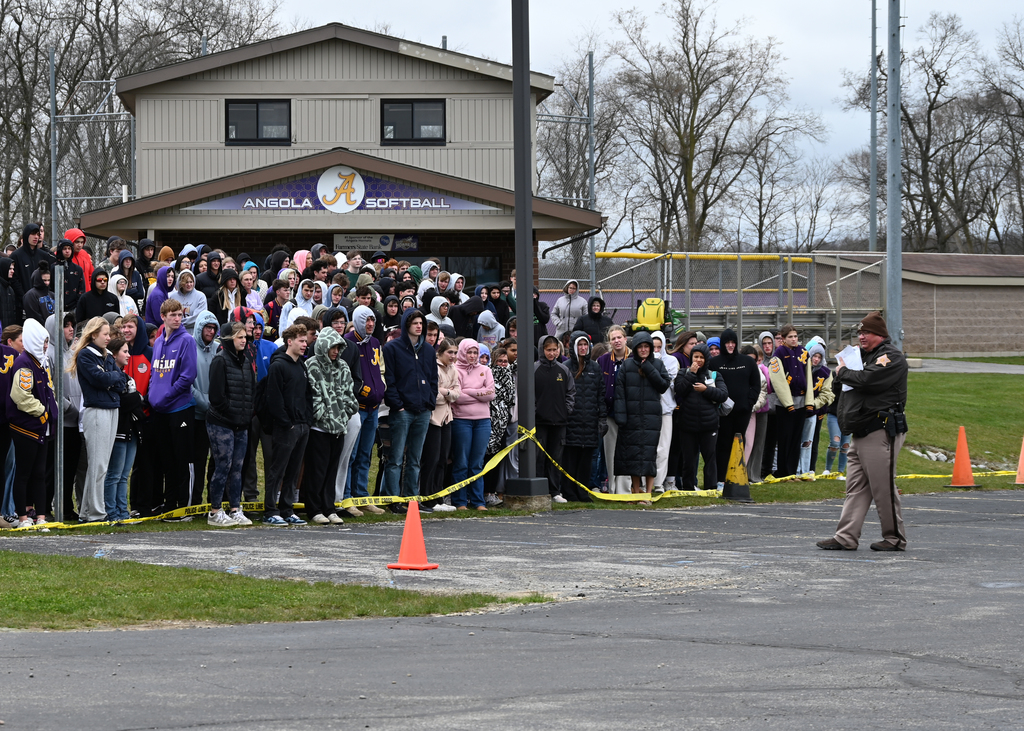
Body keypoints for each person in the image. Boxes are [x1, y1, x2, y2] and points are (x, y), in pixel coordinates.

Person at [817, 312, 909, 552]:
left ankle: (894, 538)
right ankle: (846, 536)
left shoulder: (891, 357)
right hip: (860, 431)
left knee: (882, 487)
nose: (861, 336)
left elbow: (868, 381)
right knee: (856, 487)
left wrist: (843, 372)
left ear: (880, 334)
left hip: (880, 430)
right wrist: (841, 376)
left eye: (865, 332)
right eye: (859, 332)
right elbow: (845, 387)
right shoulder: (863, 357)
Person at [70, 317, 127, 523]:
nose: (108, 338)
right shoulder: (86, 355)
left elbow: (121, 381)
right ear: (94, 334)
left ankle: (86, 511)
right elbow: (100, 379)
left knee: (101, 463)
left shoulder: (107, 356)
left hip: (112, 409)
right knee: (98, 464)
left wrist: (110, 377)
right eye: (105, 334)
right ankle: (96, 512)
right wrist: (110, 377)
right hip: (97, 411)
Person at [381, 308, 438, 513]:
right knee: (395, 458)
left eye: (421, 322)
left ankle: (412, 498)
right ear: (406, 324)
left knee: (415, 458)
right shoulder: (392, 348)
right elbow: (389, 379)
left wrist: (429, 402)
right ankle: (393, 499)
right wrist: (398, 404)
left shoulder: (429, 350)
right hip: (402, 410)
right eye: (415, 322)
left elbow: (433, 379)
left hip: (422, 410)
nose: (419, 325)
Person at [301, 326, 358, 524]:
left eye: (338, 347)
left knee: (332, 470)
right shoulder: (311, 365)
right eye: (333, 347)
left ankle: (329, 507)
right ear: (324, 345)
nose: (335, 351)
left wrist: (345, 412)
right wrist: (323, 415)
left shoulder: (343, 366)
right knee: (317, 470)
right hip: (319, 429)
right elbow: (313, 396)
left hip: (339, 428)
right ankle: (314, 509)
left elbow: (350, 394)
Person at [149, 299, 198, 518]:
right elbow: (154, 373)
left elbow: (188, 376)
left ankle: (184, 505)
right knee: (166, 460)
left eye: (180, 315)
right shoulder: (158, 342)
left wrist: (167, 396)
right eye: (173, 315)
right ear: (163, 317)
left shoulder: (187, 340)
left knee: (183, 459)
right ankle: (170, 505)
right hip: (160, 409)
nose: (177, 319)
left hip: (180, 407)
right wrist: (153, 396)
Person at [7, 319, 57, 528]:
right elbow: (21, 396)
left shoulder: (41, 363)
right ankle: (22, 518)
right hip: (26, 427)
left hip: (42, 429)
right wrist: (43, 412)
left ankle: (41, 517)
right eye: (43, 342)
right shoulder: (24, 363)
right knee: (24, 474)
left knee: (40, 473)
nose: (46, 346)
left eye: (47, 342)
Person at [262, 323, 314, 526]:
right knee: (278, 470)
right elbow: (273, 399)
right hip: (286, 427)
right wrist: (287, 423)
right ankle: (270, 510)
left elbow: (307, 395)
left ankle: (287, 508)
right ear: (289, 341)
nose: (304, 344)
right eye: (301, 341)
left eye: (305, 340)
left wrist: (306, 421)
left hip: (302, 426)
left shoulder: (301, 365)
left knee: (293, 471)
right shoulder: (278, 365)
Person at [205, 323, 256, 527]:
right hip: (221, 422)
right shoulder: (220, 360)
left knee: (237, 467)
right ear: (228, 339)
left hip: (241, 423)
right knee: (223, 465)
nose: (244, 340)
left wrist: (246, 413)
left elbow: (251, 390)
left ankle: (235, 508)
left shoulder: (246, 360)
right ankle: (215, 511)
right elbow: (216, 397)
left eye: (245, 336)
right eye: (239, 337)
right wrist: (232, 413)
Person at [613, 331, 670, 502]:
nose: (644, 350)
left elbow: (663, 385)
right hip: (632, 417)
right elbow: (619, 393)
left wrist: (648, 368)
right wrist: (621, 417)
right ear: (636, 348)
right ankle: (636, 491)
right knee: (633, 455)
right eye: (641, 347)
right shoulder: (627, 365)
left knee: (649, 455)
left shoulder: (658, 364)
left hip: (651, 417)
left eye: (647, 346)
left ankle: (648, 493)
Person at [343, 305, 386, 514]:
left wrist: (381, 386)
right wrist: (363, 390)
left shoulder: (376, 343)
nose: (370, 324)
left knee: (365, 454)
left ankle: (361, 495)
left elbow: (381, 369)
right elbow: (346, 375)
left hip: (374, 408)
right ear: (358, 320)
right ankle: (346, 496)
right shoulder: (348, 342)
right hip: (356, 408)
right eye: (366, 320)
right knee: (351, 454)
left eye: (373, 321)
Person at [707, 329, 761, 487]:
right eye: (727, 343)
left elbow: (755, 385)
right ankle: (721, 479)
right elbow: (711, 384)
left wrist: (748, 403)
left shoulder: (748, 362)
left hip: (742, 412)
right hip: (722, 412)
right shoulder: (715, 362)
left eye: (733, 342)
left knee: (738, 443)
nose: (730, 346)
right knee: (722, 444)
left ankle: (736, 477)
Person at [674, 342, 729, 491]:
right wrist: (691, 374)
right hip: (687, 424)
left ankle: (710, 487)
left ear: (706, 359)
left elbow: (723, 395)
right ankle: (688, 487)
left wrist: (706, 390)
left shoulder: (714, 375)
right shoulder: (683, 373)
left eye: (701, 357)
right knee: (688, 459)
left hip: (709, 424)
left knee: (710, 458)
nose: (698, 360)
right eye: (695, 357)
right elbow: (679, 390)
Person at [46, 313, 83, 520]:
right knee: (54, 468)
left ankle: (66, 506)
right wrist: (70, 408)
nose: (70, 329)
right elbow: (53, 389)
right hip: (61, 420)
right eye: (65, 326)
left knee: (69, 468)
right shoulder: (50, 353)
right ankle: (46, 506)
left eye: (72, 325)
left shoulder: (70, 353)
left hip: (75, 421)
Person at [451, 339, 495, 510]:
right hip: (461, 421)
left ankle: (477, 501)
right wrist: (478, 394)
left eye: (475, 352)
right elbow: (457, 397)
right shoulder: (455, 370)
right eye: (469, 352)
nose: (473, 356)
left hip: (483, 421)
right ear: (463, 352)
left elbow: (491, 394)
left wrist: (468, 391)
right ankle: (460, 501)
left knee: (477, 463)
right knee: (461, 461)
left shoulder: (485, 370)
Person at [561, 331, 604, 502]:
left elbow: (600, 395)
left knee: (586, 461)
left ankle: (583, 491)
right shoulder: (566, 368)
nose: (583, 348)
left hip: (590, 422)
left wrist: (601, 419)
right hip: (572, 421)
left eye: (585, 344)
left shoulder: (595, 367)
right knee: (570, 459)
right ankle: (569, 492)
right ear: (573, 346)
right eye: (580, 344)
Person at [105, 337, 143, 523]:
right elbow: (122, 402)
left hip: (132, 431)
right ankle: (111, 511)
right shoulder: (110, 375)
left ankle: (123, 511)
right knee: (114, 474)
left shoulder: (127, 377)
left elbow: (138, 401)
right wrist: (135, 398)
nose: (128, 355)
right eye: (124, 351)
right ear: (114, 354)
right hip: (118, 430)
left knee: (123, 475)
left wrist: (135, 398)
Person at [419, 338, 460, 513]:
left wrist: (446, 391)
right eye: (449, 352)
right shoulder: (433, 368)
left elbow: (458, 393)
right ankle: (427, 498)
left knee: (443, 459)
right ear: (440, 353)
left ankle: (438, 496)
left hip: (447, 418)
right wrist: (446, 393)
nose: (453, 356)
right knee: (431, 459)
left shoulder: (454, 370)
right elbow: (433, 395)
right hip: (433, 419)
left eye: (455, 353)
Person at [534, 333, 576, 502]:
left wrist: (566, 411)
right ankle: (539, 489)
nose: (552, 353)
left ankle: (555, 491)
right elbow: (528, 394)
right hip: (540, 422)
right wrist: (535, 411)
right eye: (548, 350)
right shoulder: (534, 369)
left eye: (554, 349)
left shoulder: (564, 370)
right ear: (542, 350)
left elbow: (571, 393)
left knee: (556, 458)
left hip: (559, 422)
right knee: (539, 457)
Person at [767, 324, 808, 478]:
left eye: (795, 336)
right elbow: (778, 380)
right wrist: (787, 403)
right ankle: (782, 470)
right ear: (783, 339)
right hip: (785, 403)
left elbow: (808, 375)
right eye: (790, 337)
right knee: (785, 437)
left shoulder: (803, 352)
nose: (793, 339)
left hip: (801, 400)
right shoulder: (778, 354)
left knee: (796, 437)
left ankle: (792, 470)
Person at [190, 311, 220, 504]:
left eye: (213, 328)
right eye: (207, 327)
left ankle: (213, 501)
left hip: (217, 416)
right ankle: (194, 501)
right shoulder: (190, 348)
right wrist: (206, 403)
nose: (210, 331)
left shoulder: (218, 349)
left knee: (217, 462)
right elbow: (188, 384)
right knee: (197, 461)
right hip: (197, 415)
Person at [597, 326, 631, 494]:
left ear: (625, 339)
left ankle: (625, 489)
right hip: (609, 413)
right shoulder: (602, 361)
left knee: (626, 452)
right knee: (609, 453)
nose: (617, 341)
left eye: (619, 337)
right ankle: (612, 488)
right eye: (613, 338)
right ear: (609, 342)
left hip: (629, 414)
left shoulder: (633, 358)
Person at [797, 341, 834, 475]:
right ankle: (795, 469)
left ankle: (807, 469)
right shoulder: (801, 369)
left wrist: (813, 404)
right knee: (796, 440)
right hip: (798, 409)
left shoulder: (825, 373)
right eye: (814, 356)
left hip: (814, 412)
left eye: (819, 357)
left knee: (808, 442)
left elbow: (827, 394)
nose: (816, 359)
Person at [651, 331, 679, 492]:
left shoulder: (671, 360)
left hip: (666, 409)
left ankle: (658, 482)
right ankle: (644, 480)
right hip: (649, 409)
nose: (656, 350)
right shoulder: (644, 361)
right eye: (653, 346)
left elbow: (669, 381)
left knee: (663, 448)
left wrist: (658, 365)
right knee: (649, 447)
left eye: (659, 347)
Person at [742, 344, 771, 483]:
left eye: (753, 360)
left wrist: (751, 407)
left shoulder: (759, 373)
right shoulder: (737, 370)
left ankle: (746, 473)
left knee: (750, 443)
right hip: (736, 412)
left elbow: (763, 392)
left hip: (751, 412)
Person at [12, 223, 55, 316]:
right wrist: (24, 298)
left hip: (42, 303)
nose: (36, 237)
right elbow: (14, 280)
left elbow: (48, 278)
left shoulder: (43, 255)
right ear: (27, 235)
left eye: (38, 234)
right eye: (33, 234)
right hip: (22, 304)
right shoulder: (16, 256)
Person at [169, 270, 209, 334]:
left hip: (194, 333)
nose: (189, 284)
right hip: (176, 332)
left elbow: (198, 317)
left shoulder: (200, 296)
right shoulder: (173, 297)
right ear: (181, 283)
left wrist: (178, 322)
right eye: (186, 282)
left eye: (191, 282)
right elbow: (170, 315)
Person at [53, 238, 85, 313]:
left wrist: (78, 305)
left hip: (73, 307)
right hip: (55, 307)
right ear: (60, 250)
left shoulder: (77, 269)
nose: (67, 251)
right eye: (64, 249)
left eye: (69, 248)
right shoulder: (53, 268)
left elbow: (81, 289)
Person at [115, 249, 147, 314]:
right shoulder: (116, 274)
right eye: (126, 259)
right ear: (121, 260)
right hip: (120, 306)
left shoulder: (136, 274)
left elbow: (141, 294)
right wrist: (134, 290)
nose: (128, 261)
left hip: (134, 306)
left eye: (130, 259)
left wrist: (126, 292)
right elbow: (116, 294)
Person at [66, 228, 95, 292]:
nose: (80, 245)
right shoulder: (63, 255)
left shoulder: (85, 254)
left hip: (86, 294)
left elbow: (91, 276)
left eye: (82, 242)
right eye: (77, 242)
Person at [0, 255, 19, 327]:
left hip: (8, 329)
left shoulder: (10, 288)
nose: (13, 271)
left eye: (13, 269)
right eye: (10, 269)